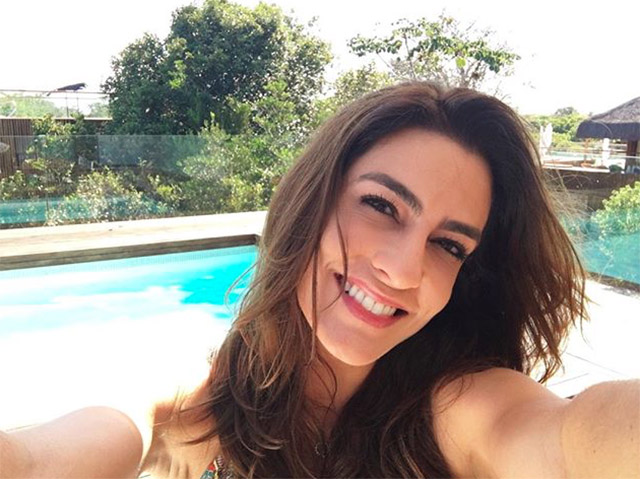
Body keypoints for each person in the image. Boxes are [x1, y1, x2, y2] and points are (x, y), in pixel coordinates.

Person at [1, 82, 638, 478]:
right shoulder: (196, 400)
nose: (403, 269)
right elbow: (41, 459)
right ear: (311, 200)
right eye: (381, 205)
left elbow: (570, 443)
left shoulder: (461, 409)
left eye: (449, 245)